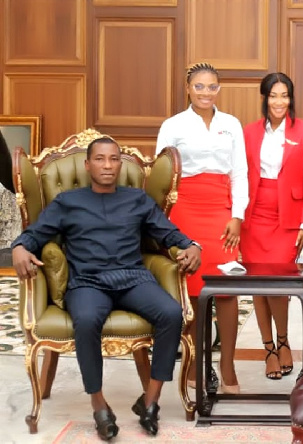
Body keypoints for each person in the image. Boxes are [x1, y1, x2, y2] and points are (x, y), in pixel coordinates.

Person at [11, 137, 202, 440]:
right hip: (88, 282)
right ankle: (99, 405)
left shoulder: (136, 200)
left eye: (114, 159)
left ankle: (150, 401)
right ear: (88, 165)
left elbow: (168, 233)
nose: (108, 165)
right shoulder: (67, 202)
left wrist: (191, 246)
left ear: (120, 164)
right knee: (86, 321)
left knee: (170, 312)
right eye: (100, 159)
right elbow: (34, 234)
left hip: (132, 278)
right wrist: (20, 247)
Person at [156, 62, 249, 393]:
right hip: (185, 212)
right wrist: (166, 226)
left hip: (221, 212)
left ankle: (228, 367)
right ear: (187, 88)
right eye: (199, 86)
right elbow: (161, 174)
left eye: (212, 87)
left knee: (226, 290)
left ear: (219, 89)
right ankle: (196, 362)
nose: (206, 93)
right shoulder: (173, 125)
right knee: (193, 293)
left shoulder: (231, 124)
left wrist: (237, 215)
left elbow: (240, 172)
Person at [241, 72, 303, 379]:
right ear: (264, 98)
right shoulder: (248, 132)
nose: (279, 102)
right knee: (258, 286)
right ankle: (269, 348)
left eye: (284, 95)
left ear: (291, 98)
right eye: (273, 96)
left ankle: (285, 340)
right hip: (254, 215)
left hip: (288, 218)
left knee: (278, 285)